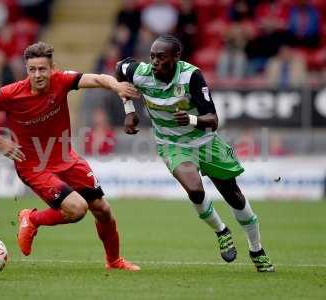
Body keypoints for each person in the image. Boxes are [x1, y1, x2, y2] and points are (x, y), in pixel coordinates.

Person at [0, 41, 141, 271]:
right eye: (32, 69)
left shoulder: (62, 81)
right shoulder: (11, 94)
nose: (37, 74)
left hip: (67, 159)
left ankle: (114, 261)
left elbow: (98, 78)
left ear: (52, 68)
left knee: (103, 210)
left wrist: (117, 86)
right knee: (77, 209)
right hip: (34, 166)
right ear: (26, 70)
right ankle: (32, 218)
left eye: (42, 69)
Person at [115, 34, 274, 272]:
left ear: (177, 57)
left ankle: (256, 249)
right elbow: (119, 69)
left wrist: (190, 119)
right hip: (172, 144)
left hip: (206, 142)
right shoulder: (140, 72)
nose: (155, 62)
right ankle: (221, 231)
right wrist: (129, 110)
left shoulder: (191, 76)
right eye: (152, 56)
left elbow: (213, 120)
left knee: (235, 198)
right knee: (195, 190)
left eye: (161, 57)